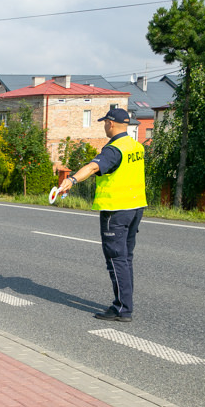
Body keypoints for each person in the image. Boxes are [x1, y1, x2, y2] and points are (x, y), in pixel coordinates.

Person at [59, 108, 146, 322]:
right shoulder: (136, 146)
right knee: (125, 259)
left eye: (105, 122)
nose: (104, 125)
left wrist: (71, 180)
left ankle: (122, 309)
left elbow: (92, 167)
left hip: (115, 210)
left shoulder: (113, 149)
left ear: (111, 123)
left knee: (116, 260)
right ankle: (125, 304)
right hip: (136, 208)